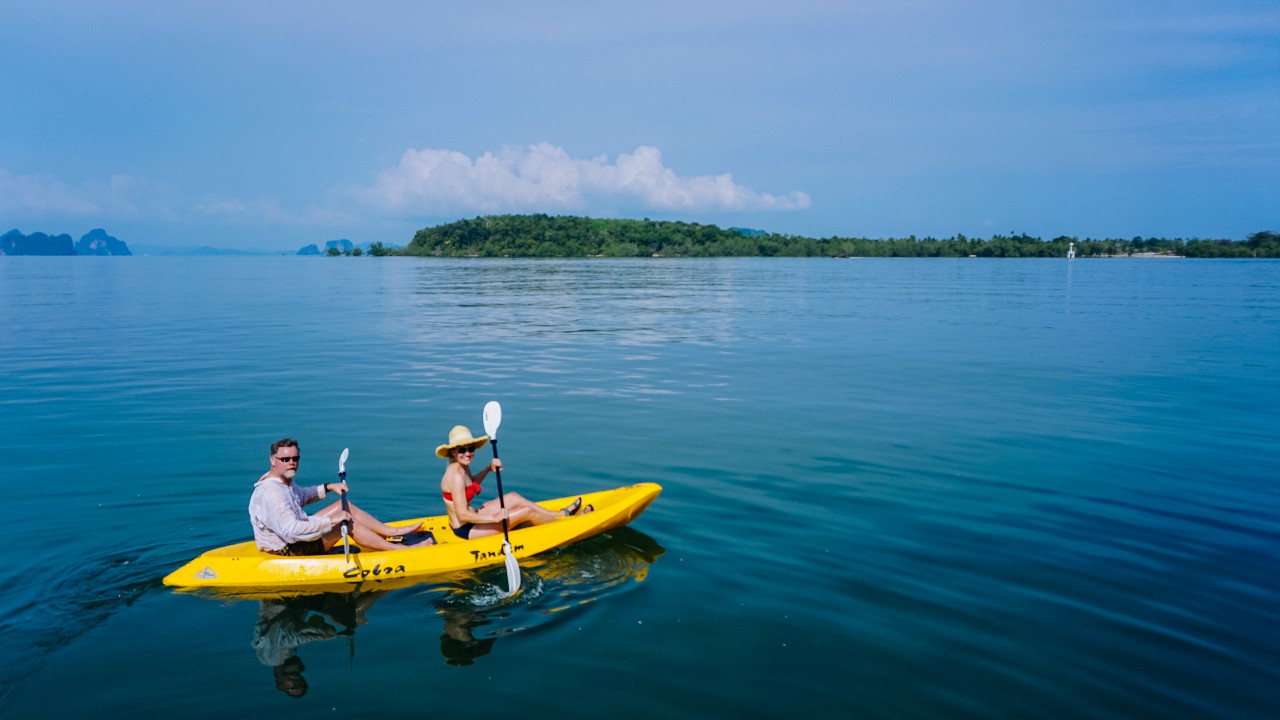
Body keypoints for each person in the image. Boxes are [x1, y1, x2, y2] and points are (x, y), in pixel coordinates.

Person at [249, 438, 430, 555]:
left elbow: (302, 496)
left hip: (294, 537)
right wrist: (332, 522)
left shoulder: (283, 482)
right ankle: (401, 551)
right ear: (273, 461)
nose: (292, 463)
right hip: (288, 549)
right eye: (285, 460)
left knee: (345, 506)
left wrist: (328, 487)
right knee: (347, 522)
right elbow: (291, 531)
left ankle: (392, 531)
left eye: (295, 459)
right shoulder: (273, 493)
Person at [437, 425, 589, 541]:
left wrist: (488, 469)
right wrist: (494, 518)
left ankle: (559, 514)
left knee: (514, 497)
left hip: (472, 517)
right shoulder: (455, 476)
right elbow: (463, 515)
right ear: (453, 452)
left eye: (470, 448)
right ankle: (566, 527)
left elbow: (471, 484)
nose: (467, 453)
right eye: (462, 450)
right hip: (466, 529)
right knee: (526, 512)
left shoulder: (461, 467)